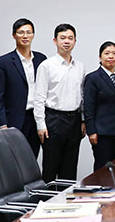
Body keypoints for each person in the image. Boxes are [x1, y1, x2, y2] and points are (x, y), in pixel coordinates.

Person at [34, 23, 85, 182]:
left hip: (75, 120)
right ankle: (47, 198)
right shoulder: (46, 66)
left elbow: (82, 96)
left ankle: (66, 198)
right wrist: (40, 124)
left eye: (70, 38)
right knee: (51, 167)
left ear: (75, 41)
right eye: (62, 38)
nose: (66, 41)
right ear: (55, 41)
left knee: (70, 168)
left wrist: (83, 120)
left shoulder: (80, 66)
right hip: (54, 120)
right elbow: (39, 97)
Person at [0, 18, 47, 158]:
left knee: (32, 158)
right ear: (14, 35)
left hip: (37, 118)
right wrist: (2, 125)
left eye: (28, 32)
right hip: (14, 120)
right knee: (14, 160)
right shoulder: (3, 62)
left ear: (33, 35)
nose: (25, 36)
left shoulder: (41, 59)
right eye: (21, 32)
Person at [84, 41, 115, 171]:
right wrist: (91, 131)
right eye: (107, 53)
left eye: (114, 53)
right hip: (102, 133)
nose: (111, 56)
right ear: (100, 57)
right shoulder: (93, 78)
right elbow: (88, 107)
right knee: (102, 169)